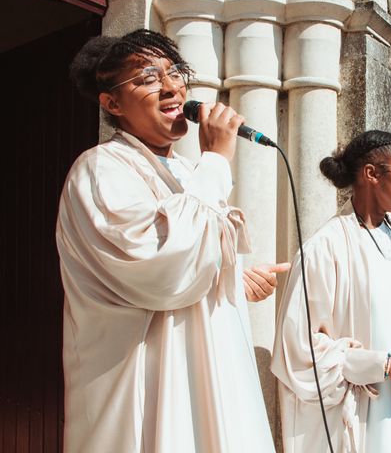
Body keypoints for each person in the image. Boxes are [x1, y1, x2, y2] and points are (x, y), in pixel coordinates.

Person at [56, 28, 288, 452]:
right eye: (147, 78)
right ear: (111, 103)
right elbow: (159, 267)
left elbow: (188, 261)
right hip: (150, 386)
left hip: (216, 379)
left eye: (177, 72)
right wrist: (216, 160)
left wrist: (232, 278)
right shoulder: (100, 169)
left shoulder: (186, 173)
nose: (172, 86)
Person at [271, 130, 391, 452]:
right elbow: (298, 349)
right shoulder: (325, 249)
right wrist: (382, 364)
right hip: (366, 414)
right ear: (371, 174)